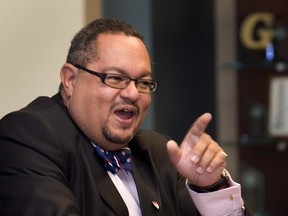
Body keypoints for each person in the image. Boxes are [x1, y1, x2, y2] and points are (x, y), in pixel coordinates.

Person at [0, 18, 249, 216]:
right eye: (115, 78)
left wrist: (209, 188)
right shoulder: (28, 136)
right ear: (70, 80)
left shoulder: (159, 151)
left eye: (143, 82)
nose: (132, 93)